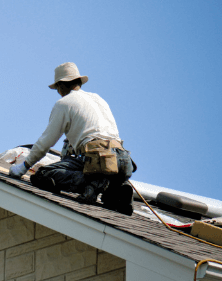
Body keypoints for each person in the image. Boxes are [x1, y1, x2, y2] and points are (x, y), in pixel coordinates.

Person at [9, 62, 135, 215]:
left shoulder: (64, 103)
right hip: (122, 161)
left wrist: (23, 167)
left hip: (97, 159)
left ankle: (93, 184)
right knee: (109, 199)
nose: (58, 92)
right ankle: (117, 189)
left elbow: (46, 142)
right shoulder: (98, 99)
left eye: (57, 89)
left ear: (61, 85)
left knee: (43, 175)